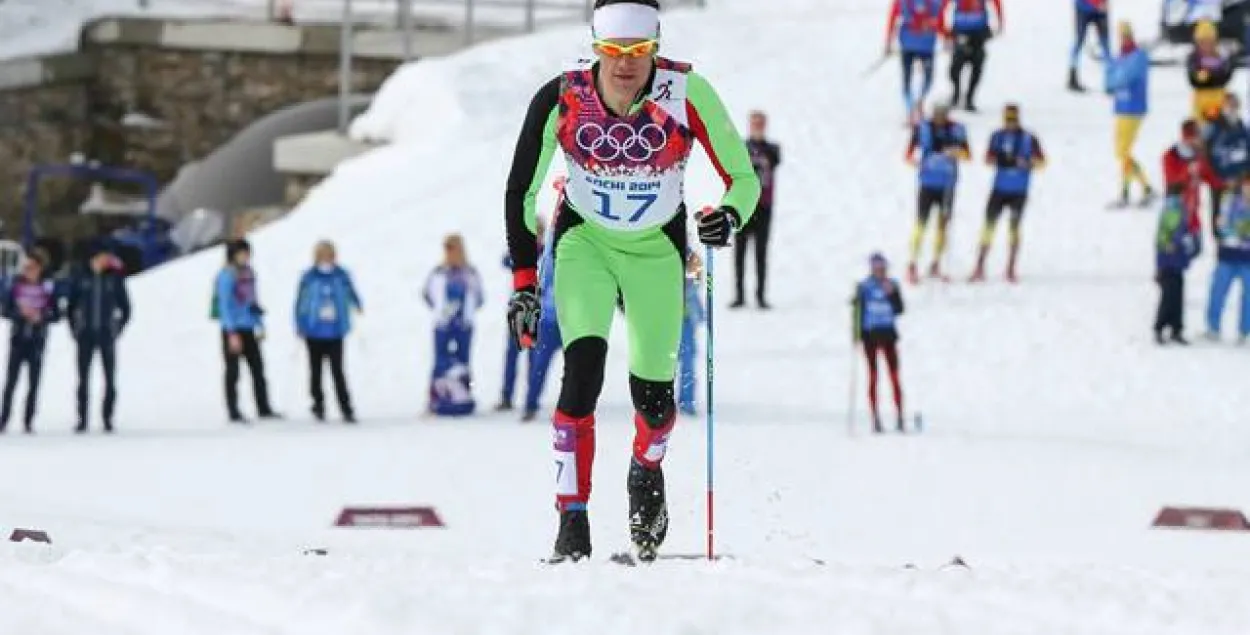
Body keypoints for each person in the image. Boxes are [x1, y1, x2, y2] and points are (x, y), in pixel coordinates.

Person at [503, 0, 760, 563]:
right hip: (584, 244)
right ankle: (572, 520)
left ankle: (646, 468)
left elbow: (743, 178)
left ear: (655, 48)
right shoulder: (563, 97)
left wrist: (729, 216)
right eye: (614, 52)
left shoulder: (687, 94)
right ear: (595, 48)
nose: (626, 66)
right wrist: (525, 281)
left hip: (654, 253)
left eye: (639, 52)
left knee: (655, 401)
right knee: (582, 375)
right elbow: (520, 191)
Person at [971, 103, 1046, 283]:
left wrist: (1027, 163)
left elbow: (1042, 162)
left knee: (1014, 227)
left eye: (1013, 119)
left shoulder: (1029, 138)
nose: (1010, 123)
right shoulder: (997, 136)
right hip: (999, 189)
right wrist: (1001, 159)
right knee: (988, 226)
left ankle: (1011, 267)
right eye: (1007, 119)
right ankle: (980, 265)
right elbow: (987, 159)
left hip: (1019, 190)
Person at [294, 240, 362, 423]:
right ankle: (318, 404)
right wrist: (299, 323)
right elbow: (300, 302)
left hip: (335, 330)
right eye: (322, 255)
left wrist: (357, 304)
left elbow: (351, 292)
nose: (326, 259)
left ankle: (346, 407)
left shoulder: (341, 275)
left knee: (337, 370)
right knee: (315, 371)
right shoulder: (309, 277)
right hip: (314, 330)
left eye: (329, 255)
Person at [67, 247, 131, 433]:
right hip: (85, 334)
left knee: (110, 378)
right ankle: (82, 418)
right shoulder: (82, 277)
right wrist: (75, 328)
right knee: (83, 378)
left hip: (106, 334)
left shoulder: (114, 278)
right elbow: (71, 306)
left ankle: (107, 417)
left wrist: (117, 327)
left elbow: (125, 307)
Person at [905, 103, 970, 284]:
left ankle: (936, 262)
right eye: (937, 114)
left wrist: (955, 153)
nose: (940, 117)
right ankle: (913, 263)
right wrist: (919, 163)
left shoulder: (957, 130)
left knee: (943, 224)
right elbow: (908, 155)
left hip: (947, 184)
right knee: (921, 223)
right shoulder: (923, 129)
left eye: (943, 114)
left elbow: (967, 154)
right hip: (928, 183)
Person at [215, 238, 278, 423]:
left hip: (249, 326)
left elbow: (253, 301)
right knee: (233, 371)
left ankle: (263, 406)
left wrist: (259, 324)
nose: (245, 257)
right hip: (233, 329)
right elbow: (224, 306)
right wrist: (231, 332)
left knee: (258, 369)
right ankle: (233, 410)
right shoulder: (227, 275)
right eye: (242, 253)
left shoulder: (249, 273)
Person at [497, 204, 551, 413]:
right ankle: (508, 395)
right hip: (520, 306)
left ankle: (528, 397)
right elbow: (506, 261)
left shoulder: (544, 252)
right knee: (513, 353)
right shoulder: (525, 249)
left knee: (531, 356)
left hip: (535, 308)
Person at [424, 233, 484, 417]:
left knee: (464, 361)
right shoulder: (438, 272)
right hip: (443, 324)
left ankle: (464, 394)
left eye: (453, 248)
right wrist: (441, 310)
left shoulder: (470, 273)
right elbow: (427, 294)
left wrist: (465, 312)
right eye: (447, 248)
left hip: (464, 325)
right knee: (440, 361)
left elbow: (480, 297)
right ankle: (435, 397)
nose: (450, 252)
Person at [0, 254, 57, 434]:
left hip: (37, 340)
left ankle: (28, 419)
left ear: (39, 269)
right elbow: (6, 309)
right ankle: (4, 417)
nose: (29, 271)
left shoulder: (46, 288)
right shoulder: (16, 286)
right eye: (26, 268)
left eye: (32, 267)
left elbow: (56, 312)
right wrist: (20, 314)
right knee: (11, 382)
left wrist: (42, 317)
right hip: (18, 340)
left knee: (33, 383)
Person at [733, 110, 781, 309]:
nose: (757, 126)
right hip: (744, 206)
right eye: (754, 123)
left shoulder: (772, 148)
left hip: (764, 206)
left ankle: (760, 296)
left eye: (761, 123)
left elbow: (774, 161)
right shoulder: (741, 147)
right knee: (740, 253)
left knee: (761, 253)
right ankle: (740, 296)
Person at [853, 253, 906, 433]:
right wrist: (856, 335)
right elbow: (857, 313)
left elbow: (899, 309)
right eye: (877, 267)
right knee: (873, 376)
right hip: (870, 336)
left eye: (883, 267)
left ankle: (899, 415)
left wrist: (892, 294)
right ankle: (875, 417)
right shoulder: (864, 287)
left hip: (888, 334)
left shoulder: (892, 285)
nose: (880, 271)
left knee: (894, 376)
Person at [1106, 21, 1156, 208]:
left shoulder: (1138, 56)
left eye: (1127, 35)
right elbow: (1110, 79)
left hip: (1133, 108)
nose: (1124, 39)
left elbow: (1125, 77)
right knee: (1122, 152)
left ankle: (1145, 187)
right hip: (1121, 108)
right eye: (1121, 36)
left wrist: (1116, 80)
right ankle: (1127, 190)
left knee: (1123, 151)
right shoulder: (1120, 57)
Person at [885, 0, 947, 125]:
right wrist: (947, 38)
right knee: (920, 79)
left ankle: (914, 106)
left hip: (917, 45)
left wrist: (888, 43)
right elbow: (940, 23)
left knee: (916, 79)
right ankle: (915, 106)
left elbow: (893, 20)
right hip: (918, 45)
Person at [1205, 176, 1250, 342]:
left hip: (1247, 259)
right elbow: (1222, 227)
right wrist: (1234, 235)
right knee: (1218, 291)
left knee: (1248, 297)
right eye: (1247, 185)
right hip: (1227, 256)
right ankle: (1212, 327)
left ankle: (1245, 331)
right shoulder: (1229, 201)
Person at [1164, 119, 1224, 237]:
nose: (1199, 141)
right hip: (1175, 209)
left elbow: (1210, 176)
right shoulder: (1170, 156)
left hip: (1193, 211)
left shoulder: (1198, 156)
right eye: (1196, 138)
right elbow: (1172, 180)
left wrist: (1227, 184)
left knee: (1196, 245)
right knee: (1175, 244)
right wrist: (1188, 171)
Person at [1155, 194, 1201, 345]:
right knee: (1169, 298)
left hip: (1176, 264)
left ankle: (1176, 328)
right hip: (1169, 264)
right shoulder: (1172, 214)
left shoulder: (1182, 214)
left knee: (1177, 298)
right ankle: (1161, 327)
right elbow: (1164, 239)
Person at [942, 0, 1003, 113]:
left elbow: (996, 4)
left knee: (977, 68)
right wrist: (946, 32)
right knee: (954, 69)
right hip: (960, 32)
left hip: (979, 34)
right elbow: (943, 7)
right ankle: (956, 94)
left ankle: (969, 99)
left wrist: (999, 23)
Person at [1203, 93, 1249, 232]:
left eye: (1235, 106)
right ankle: (1219, 240)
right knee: (1220, 213)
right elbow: (1205, 154)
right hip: (1219, 179)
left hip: (1239, 180)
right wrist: (1213, 177)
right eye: (1229, 106)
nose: (1232, 109)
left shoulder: (1242, 128)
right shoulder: (1213, 128)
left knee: (1239, 213)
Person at [1187, 20, 1234, 122]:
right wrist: (1205, 77)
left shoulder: (1221, 56)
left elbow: (1226, 75)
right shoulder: (1194, 58)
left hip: (1219, 99)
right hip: (1201, 102)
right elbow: (1194, 79)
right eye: (1203, 42)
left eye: (1210, 41)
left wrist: (1209, 76)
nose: (1206, 45)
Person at [677, 249, 705, 416]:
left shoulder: (690, 257)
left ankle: (687, 401)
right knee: (665, 363)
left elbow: (696, 281)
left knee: (687, 361)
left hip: (685, 320)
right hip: (664, 319)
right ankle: (662, 400)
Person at [1068, 0, 1110, 93]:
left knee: (1105, 44)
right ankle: (1072, 77)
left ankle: (1111, 80)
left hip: (1098, 7)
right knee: (1079, 41)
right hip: (1085, 6)